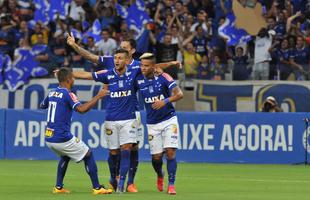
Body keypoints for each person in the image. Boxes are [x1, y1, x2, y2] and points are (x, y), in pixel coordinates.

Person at [66, 33, 180, 193]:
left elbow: (154, 66)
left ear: (131, 52)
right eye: (117, 54)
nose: (118, 58)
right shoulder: (110, 65)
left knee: (132, 148)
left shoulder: (138, 68)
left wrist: (169, 65)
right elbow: (91, 60)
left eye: (124, 50)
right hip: (113, 117)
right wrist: (73, 49)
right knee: (114, 152)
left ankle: (129, 183)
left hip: (133, 115)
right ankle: (114, 179)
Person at [40, 67, 112, 195]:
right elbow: (82, 110)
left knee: (65, 156)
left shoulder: (51, 92)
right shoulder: (68, 93)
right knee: (88, 154)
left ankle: (58, 187)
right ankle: (97, 188)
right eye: (72, 77)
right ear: (68, 79)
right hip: (61, 137)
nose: (74, 80)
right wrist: (98, 96)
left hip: (49, 137)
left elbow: (42, 105)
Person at [136, 53, 183, 195]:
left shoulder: (164, 77)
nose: (143, 68)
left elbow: (179, 94)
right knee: (156, 158)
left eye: (146, 66)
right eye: (141, 65)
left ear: (153, 67)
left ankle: (171, 184)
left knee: (170, 152)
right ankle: (160, 174)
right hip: (152, 123)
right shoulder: (138, 79)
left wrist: (165, 101)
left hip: (169, 119)